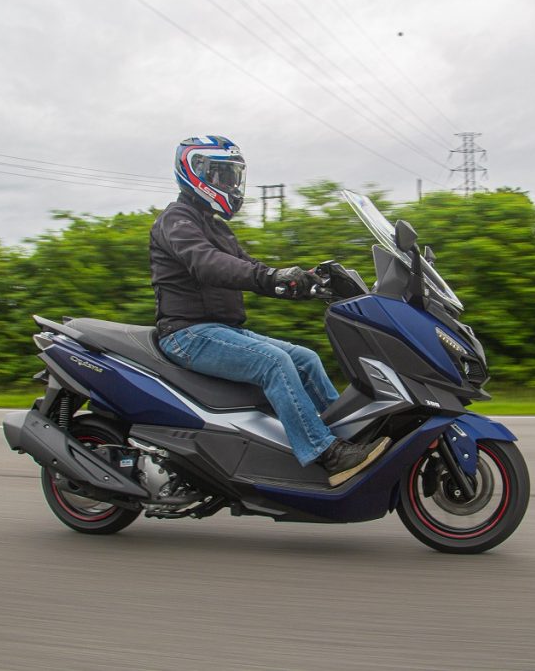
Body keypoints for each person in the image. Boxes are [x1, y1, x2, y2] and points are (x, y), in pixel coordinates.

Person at [151, 135, 389, 486]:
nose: (230, 183)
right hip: (187, 334)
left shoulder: (216, 227)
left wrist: (306, 282)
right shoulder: (176, 220)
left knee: (306, 359)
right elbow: (208, 263)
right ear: (196, 172)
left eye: (233, 176)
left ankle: (350, 436)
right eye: (222, 175)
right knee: (273, 363)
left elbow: (252, 269)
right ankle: (327, 454)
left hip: (222, 332)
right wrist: (271, 276)